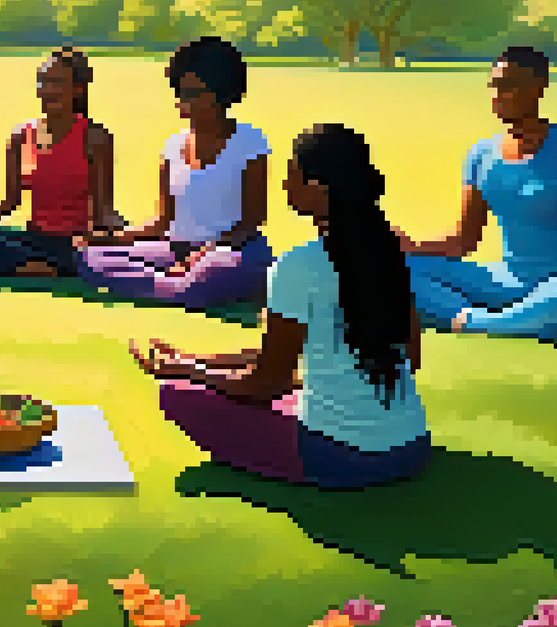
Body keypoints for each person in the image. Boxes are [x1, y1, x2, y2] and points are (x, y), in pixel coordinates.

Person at [131, 124, 430, 490]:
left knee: (176, 393)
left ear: (317, 191)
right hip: (411, 448)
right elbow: (407, 359)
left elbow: (265, 384)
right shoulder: (390, 250)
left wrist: (187, 373)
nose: (285, 186)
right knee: (286, 389)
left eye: (292, 175)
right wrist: (193, 359)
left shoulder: (298, 267)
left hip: (338, 457)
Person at [399, 47, 557, 340]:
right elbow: (463, 241)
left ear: (538, 89)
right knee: (390, 266)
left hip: (554, 283)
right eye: (494, 85)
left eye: (508, 86)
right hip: (500, 280)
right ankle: (491, 319)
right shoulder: (479, 155)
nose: (497, 94)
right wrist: (409, 245)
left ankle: (466, 318)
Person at [76, 37, 272, 305]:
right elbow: (162, 222)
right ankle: (175, 285)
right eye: (180, 93)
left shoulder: (250, 143)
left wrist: (203, 254)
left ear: (221, 94)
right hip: (174, 250)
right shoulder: (173, 146)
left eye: (193, 94)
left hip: (231, 251)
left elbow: (252, 221)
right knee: (90, 257)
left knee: (216, 270)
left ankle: (174, 284)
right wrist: (112, 238)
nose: (183, 102)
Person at [0, 47, 125, 278]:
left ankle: (51, 266)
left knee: (86, 252)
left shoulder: (95, 138)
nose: (47, 90)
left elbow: (104, 211)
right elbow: (9, 203)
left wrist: (132, 234)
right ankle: (42, 268)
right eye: (42, 82)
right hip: (32, 239)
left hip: (75, 241)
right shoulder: (21, 136)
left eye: (56, 82)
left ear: (77, 89)